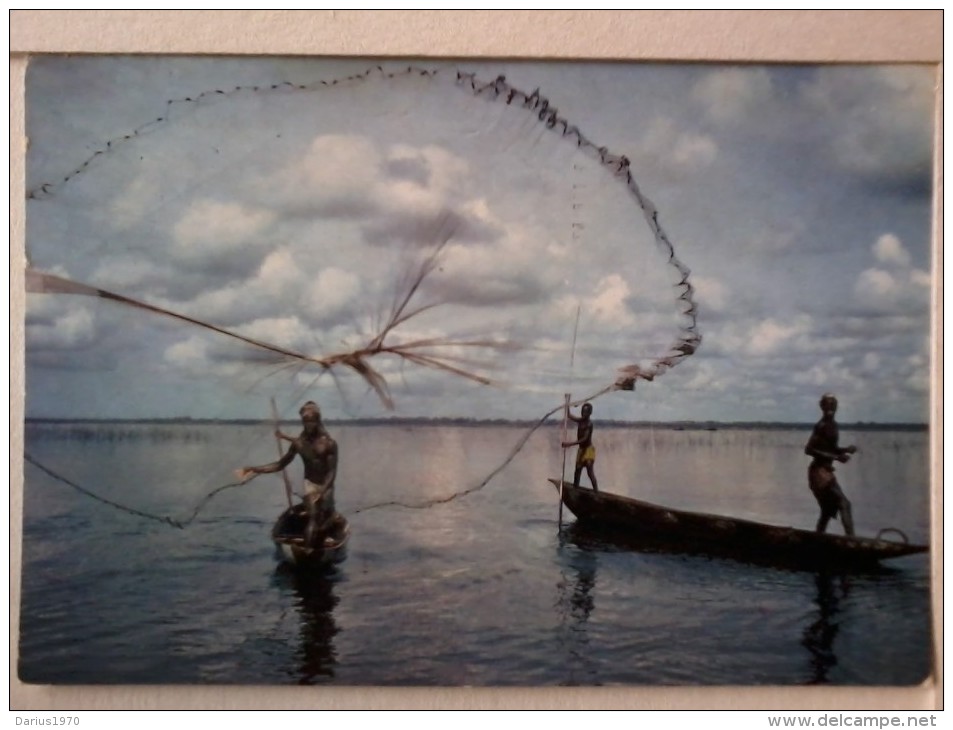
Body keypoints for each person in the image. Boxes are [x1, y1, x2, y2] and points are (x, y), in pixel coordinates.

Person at [237, 401, 342, 547]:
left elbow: (331, 472)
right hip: (310, 484)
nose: (309, 424)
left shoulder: (329, 444)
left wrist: (323, 490)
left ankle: (325, 523)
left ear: (318, 420)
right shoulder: (299, 443)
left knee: (325, 519)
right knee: (313, 518)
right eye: (306, 421)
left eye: (312, 421)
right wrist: (253, 469)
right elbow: (280, 464)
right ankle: (308, 552)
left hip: (326, 486)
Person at [804, 393, 857, 536]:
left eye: (833, 404)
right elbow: (809, 449)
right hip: (819, 473)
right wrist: (837, 457)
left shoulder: (833, 425)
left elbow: (830, 448)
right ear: (822, 407)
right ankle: (851, 541)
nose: (831, 407)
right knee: (844, 504)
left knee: (827, 510)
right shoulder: (821, 426)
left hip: (825, 472)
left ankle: (818, 539)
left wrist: (845, 450)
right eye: (828, 404)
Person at [562, 402, 599, 492]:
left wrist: (569, 444)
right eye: (582, 411)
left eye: (586, 412)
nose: (583, 414)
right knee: (577, 471)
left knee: (589, 471)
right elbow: (569, 415)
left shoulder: (589, 424)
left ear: (590, 413)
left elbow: (584, 439)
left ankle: (596, 492)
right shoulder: (580, 421)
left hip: (588, 450)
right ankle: (575, 490)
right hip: (581, 450)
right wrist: (567, 403)